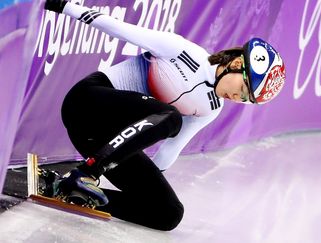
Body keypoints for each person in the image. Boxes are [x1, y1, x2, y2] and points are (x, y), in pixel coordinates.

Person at [44, 0, 286, 231]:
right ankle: (85, 174)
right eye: (243, 89)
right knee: (172, 117)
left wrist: (146, 185)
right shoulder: (182, 51)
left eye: (246, 99)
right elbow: (119, 29)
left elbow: (171, 150)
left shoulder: (212, 107)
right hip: (87, 102)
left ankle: (66, 189)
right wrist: (64, 6)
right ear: (235, 65)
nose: (237, 97)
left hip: (102, 140)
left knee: (168, 213)